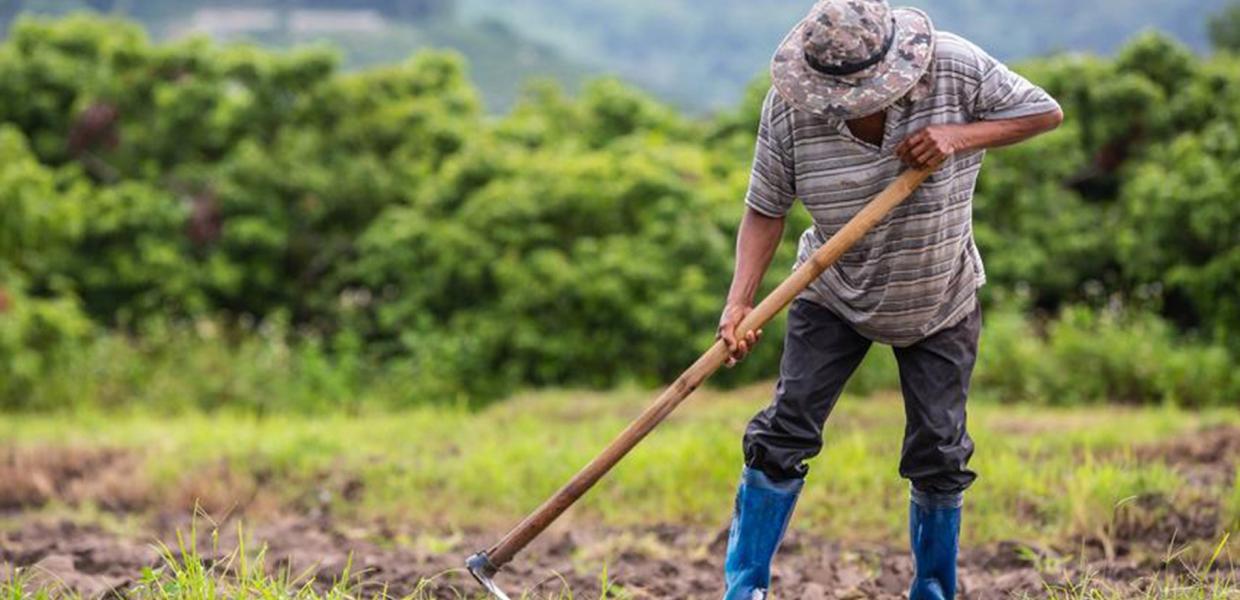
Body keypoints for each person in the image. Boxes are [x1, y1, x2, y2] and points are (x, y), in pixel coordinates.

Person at [716, 1, 1063, 598]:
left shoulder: (953, 67)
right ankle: (744, 589)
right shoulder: (790, 110)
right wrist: (738, 305)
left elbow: (1044, 112)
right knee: (784, 432)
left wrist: (959, 135)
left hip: (939, 293)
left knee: (940, 450)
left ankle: (933, 589)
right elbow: (765, 208)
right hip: (831, 292)